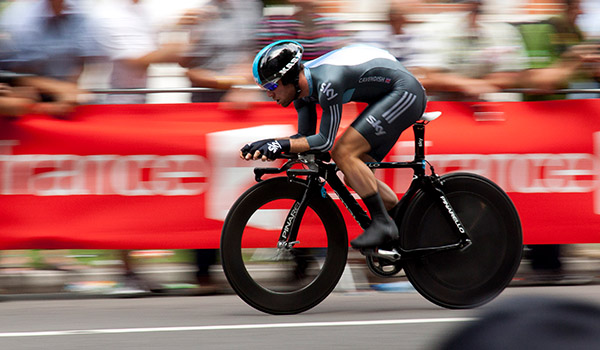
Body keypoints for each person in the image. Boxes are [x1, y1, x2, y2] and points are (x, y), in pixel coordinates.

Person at [241, 40, 427, 249]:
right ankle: (409, 226)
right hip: (387, 95)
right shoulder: (301, 95)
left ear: (290, 77)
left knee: (343, 153)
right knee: (354, 175)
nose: (269, 93)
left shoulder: (328, 82)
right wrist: (268, 144)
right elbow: (304, 138)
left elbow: (324, 142)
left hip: (405, 92)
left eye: (272, 85)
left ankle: (383, 224)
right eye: (265, 88)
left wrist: (279, 145)